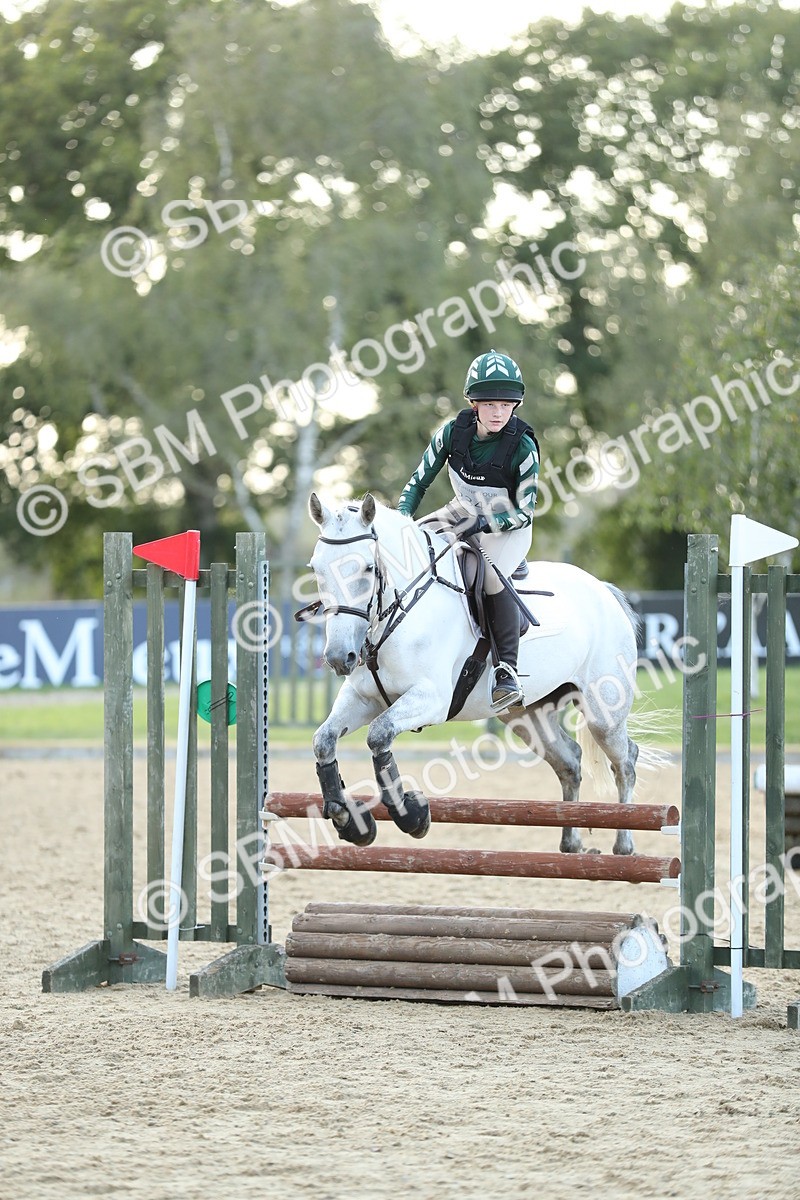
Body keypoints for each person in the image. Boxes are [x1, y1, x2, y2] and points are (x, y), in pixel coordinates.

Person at [398, 349, 540, 711]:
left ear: (515, 405)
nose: (497, 412)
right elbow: (417, 484)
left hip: (507, 522)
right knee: (411, 544)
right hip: (461, 512)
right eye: (489, 403)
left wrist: (486, 522)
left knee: (492, 577)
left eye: (506, 404)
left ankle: (507, 671)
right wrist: (401, 522)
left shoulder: (523, 445)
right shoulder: (451, 433)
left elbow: (525, 511)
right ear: (473, 404)